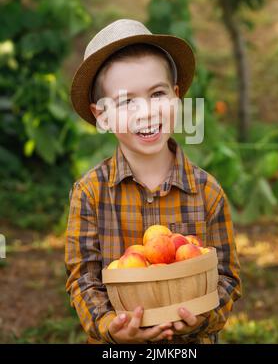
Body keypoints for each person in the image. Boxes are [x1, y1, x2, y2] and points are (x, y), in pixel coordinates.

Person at [65, 19, 242, 344]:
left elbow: (227, 277)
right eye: (126, 101)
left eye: (157, 93)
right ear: (102, 116)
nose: (146, 112)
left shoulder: (207, 191)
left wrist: (203, 317)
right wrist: (110, 326)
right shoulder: (89, 193)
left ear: (176, 97)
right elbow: (84, 279)